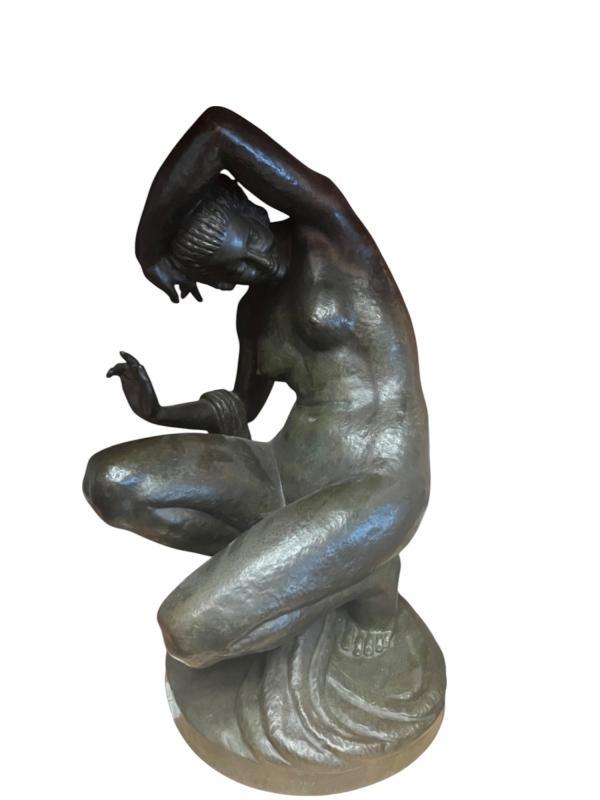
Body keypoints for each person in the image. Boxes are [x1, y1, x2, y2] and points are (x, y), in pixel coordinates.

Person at [83, 107, 430, 667]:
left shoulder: (332, 234)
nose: (256, 260)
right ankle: (304, 559)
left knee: (186, 633)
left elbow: (218, 132)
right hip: (282, 468)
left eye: (249, 238)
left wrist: (149, 249)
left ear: (255, 208)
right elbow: (243, 406)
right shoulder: (255, 313)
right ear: (221, 283)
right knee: (109, 482)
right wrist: (158, 412)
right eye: (235, 270)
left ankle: (365, 574)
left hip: (377, 480)